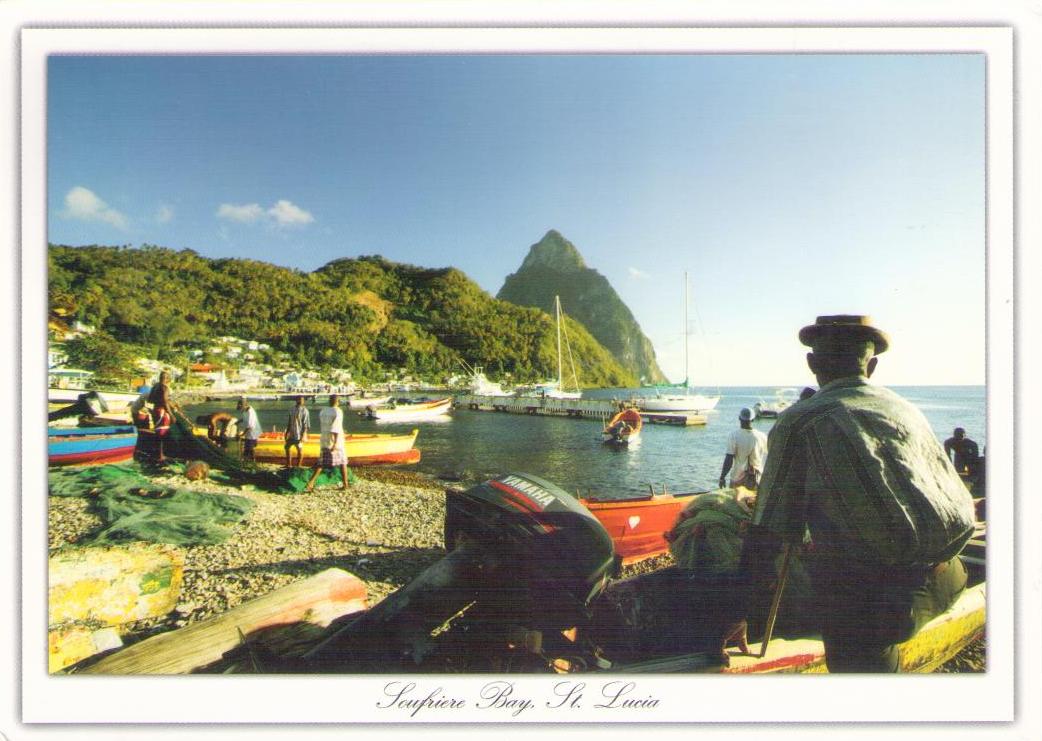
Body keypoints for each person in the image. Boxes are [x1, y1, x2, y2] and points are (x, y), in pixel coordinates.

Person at [741, 315, 976, 672]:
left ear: (812, 363)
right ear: (873, 366)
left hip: (888, 605)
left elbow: (769, 533)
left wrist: (735, 614)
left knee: (857, 630)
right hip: (953, 575)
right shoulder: (906, 409)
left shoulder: (799, 421)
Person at [304, 394, 350, 491]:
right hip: (334, 441)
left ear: (329, 401)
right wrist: (335, 443)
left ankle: (310, 484)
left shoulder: (323, 411)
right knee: (343, 462)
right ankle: (345, 484)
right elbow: (335, 428)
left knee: (322, 463)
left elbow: (326, 425)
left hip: (324, 438)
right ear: (338, 401)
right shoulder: (338, 411)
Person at [718, 408, 768, 490]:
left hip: (738, 478)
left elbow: (729, 459)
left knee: (736, 502)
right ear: (753, 419)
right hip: (757, 479)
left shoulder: (734, 436)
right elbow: (769, 457)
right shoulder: (762, 436)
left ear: (739, 418)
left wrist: (722, 477)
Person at [147, 371, 176, 462]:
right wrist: (171, 414)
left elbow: (150, 399)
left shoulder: (155, 386)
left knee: (157, 431)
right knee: (162, 433)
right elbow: (165, 401)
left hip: (156, 410)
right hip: (162, 411)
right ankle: (160, 455)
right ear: (167, 379)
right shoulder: (164, 388)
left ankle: (156, 453)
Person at [284, 396, 311, 467]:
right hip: (292, 432)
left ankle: (299, 465)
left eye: (302, 400)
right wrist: (287, 432)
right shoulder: (292, 409)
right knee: (287, 447)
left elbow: (306, 425)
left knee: (299, 448)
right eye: (299, 400)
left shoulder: (305, 411)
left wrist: (303, 435)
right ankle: (289, 464)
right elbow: (289, 421)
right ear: (296, 400)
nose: (300, 401)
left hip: (299, 433)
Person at [236, 397, 261, 461]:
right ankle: (250, 460)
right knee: (248, 449)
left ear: (244, 405)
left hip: (253, 433)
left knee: (249, 449)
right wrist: (239, 421)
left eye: (241, 408)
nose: (241, 410)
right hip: (249, 433)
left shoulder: (250, 412)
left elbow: (250, 426)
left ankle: (252, 461)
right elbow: (244, 418)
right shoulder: (245, 410)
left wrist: (242, 435)